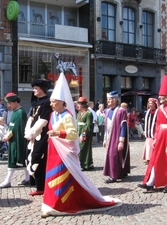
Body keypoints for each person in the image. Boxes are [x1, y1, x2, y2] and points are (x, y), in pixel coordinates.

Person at [41, 73, 122, 218]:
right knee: (52, 175)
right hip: (53, 149)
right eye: (51, 101)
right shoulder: (52, 115)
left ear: (61, 101)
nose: (51, 104)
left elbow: (73, 134)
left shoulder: (67, 116)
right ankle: (51, 201)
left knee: (62, 176)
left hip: (65, 151)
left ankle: (61, 204)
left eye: (54, 101)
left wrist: (58, 134)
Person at [138, 74, 167, 193]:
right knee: (155, 159)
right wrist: (155, 138)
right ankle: (150, 182)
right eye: (160, 95)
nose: (160, 97)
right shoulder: (160, 108)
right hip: (160, 136)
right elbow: (157, 125)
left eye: (163, 95)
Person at [24, 79, 53, 196]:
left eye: (36, 88)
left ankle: (42, 186)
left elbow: (43, 120)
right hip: (33, 135)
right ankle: (38, 185)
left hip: (41, 136)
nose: (34, 90)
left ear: (42, 89)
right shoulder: (35, 102)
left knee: (39, 159)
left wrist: (32, 133)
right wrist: (28, 133)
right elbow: (31, 119)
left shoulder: (47, 102)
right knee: (30, 156)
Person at [0, 93, 28, 188]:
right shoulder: (16, 112)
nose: (8, 105)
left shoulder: (20, 113)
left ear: (15, 102)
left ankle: (8, 180)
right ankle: (27, 178)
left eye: (9, 103)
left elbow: (16, 129)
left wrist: (7, 136)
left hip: (17, 140)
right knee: (21, 159)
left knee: (14, 159)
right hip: (14, 139)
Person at [103, 91, 130, 183]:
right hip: (109, 136)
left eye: (110, 99)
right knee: (111, 155)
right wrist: (104, 139)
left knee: (113, 155)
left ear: (115, 100)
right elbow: (106, 127)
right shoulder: (107, 111)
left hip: (117, 136)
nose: (108, 101)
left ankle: (113, 175)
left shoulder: (121, 111)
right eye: (108, 99)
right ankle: (119, 172)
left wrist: (121, 141)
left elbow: (123, 126)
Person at [76, 97, 94, 170]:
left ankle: (84, 164)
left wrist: (83, 134)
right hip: (78, 131)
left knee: (83, 148)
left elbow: (88, 125)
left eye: (79, 104)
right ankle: (83, 163)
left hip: (85, 132)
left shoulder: (89, 113)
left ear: (83, 105)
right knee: (78, 148)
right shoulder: (79, 113)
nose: (77, 105)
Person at [142, 98, 159, 165]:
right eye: (149, 103)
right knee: (148, 144)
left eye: (151, 103)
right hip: (148, 131)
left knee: (152, 144)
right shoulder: (148, 111)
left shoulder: (158, 112)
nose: (150, 105)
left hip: (154, 131)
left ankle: (151, 158)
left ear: (155, 104)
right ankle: (147, 157)